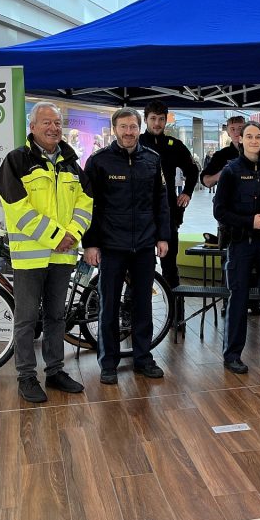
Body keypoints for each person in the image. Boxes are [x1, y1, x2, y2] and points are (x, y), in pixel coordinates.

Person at [0, 103, 93, 403]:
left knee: (56, 317)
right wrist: (55, 236)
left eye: (57, 122)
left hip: (62, 256)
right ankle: (26, 376)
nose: (53, 128)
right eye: (46, 122)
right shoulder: (16, 161)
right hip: (30, 257)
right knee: (26, 319)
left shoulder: (72, 164)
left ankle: (54, 371)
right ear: (32, 127)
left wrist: (73, 235)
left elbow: (85, 203)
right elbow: (16, 209)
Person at [82, 107, 170, 386]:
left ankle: (143, 359)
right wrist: (90, 243)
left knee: (143, 304)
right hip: (111, 245)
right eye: (123, 127)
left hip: (144, 245)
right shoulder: (98, 162)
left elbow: (161, 201)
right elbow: (88, 206)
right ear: (114, 129)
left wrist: (163, 236)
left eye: (133, 127)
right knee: (108, 305)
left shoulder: (153, 160)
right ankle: (108, 362)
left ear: (139, 128)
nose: (129, 132)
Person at [213, 121, 260, 374]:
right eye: (249, 136)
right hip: (240, 244)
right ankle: (232, 354)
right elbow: (220, 211)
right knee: (238, 299)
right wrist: (250, 221)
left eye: (258, 136)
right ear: (240, 140)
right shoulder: (231, 171)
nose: (254, 140)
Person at [139, 101, 199, 291]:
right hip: (142, 217)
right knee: (138, 268)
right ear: (146, 120)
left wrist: (187, 192)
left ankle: (176, 316)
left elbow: (193, 170)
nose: (157, 123)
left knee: (170, 268)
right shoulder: (137, 143)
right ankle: (130, 315)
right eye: (153, 119)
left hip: (169, 215)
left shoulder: (174, 146)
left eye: (161, 119)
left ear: (166, 121)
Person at [200, 115, 246, 189]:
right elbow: (205, 181)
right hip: (230, 199)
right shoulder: (221, 155)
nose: (236, 132)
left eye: (240, 128)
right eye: (232, 129)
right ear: (228, 132)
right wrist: (218, 176)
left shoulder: (256, 153)